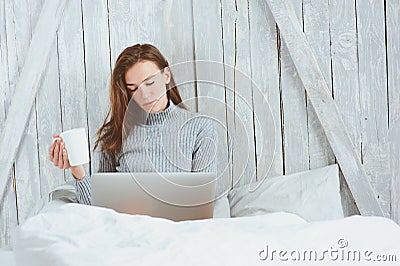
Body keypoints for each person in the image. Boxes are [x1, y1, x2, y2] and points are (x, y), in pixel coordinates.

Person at [49, 43, 217, 205]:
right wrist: (76, 169)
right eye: (133, 88)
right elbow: (99, 208)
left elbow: (201, 201)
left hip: (176, 229)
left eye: (150, 83)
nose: (144, 95)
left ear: (166, 75)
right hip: (126, 229)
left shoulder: (200, 127)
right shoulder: (116, 132)